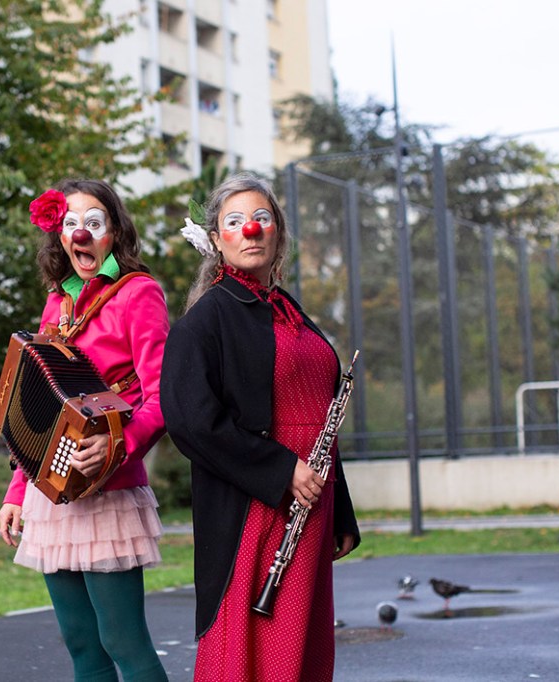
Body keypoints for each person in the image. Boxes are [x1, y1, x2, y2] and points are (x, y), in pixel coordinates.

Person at [160, 173, 361, 681]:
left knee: (303, 651)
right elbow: (192, 422)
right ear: (216, 239)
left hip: (310, 506)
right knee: (257, 652)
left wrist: (341, 511)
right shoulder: (205, 321)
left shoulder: (289, 310)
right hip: (256, 509)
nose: (250, 230)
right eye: (234, 222)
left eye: (262, 218)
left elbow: (322, 416)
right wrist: (279, 471)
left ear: (278, 233)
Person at [0, 179, 170, 682]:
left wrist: (118, 444)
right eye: (71, 223)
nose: (82, 233)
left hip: (109, 493)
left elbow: (161, 397)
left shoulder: (138, 293)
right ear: (58, 235)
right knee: (82, 647)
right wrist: (15, 492)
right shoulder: (58, 304)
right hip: (50, 496)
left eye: (94, 222)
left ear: (114, 231)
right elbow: (36, 403)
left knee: (123, 642)